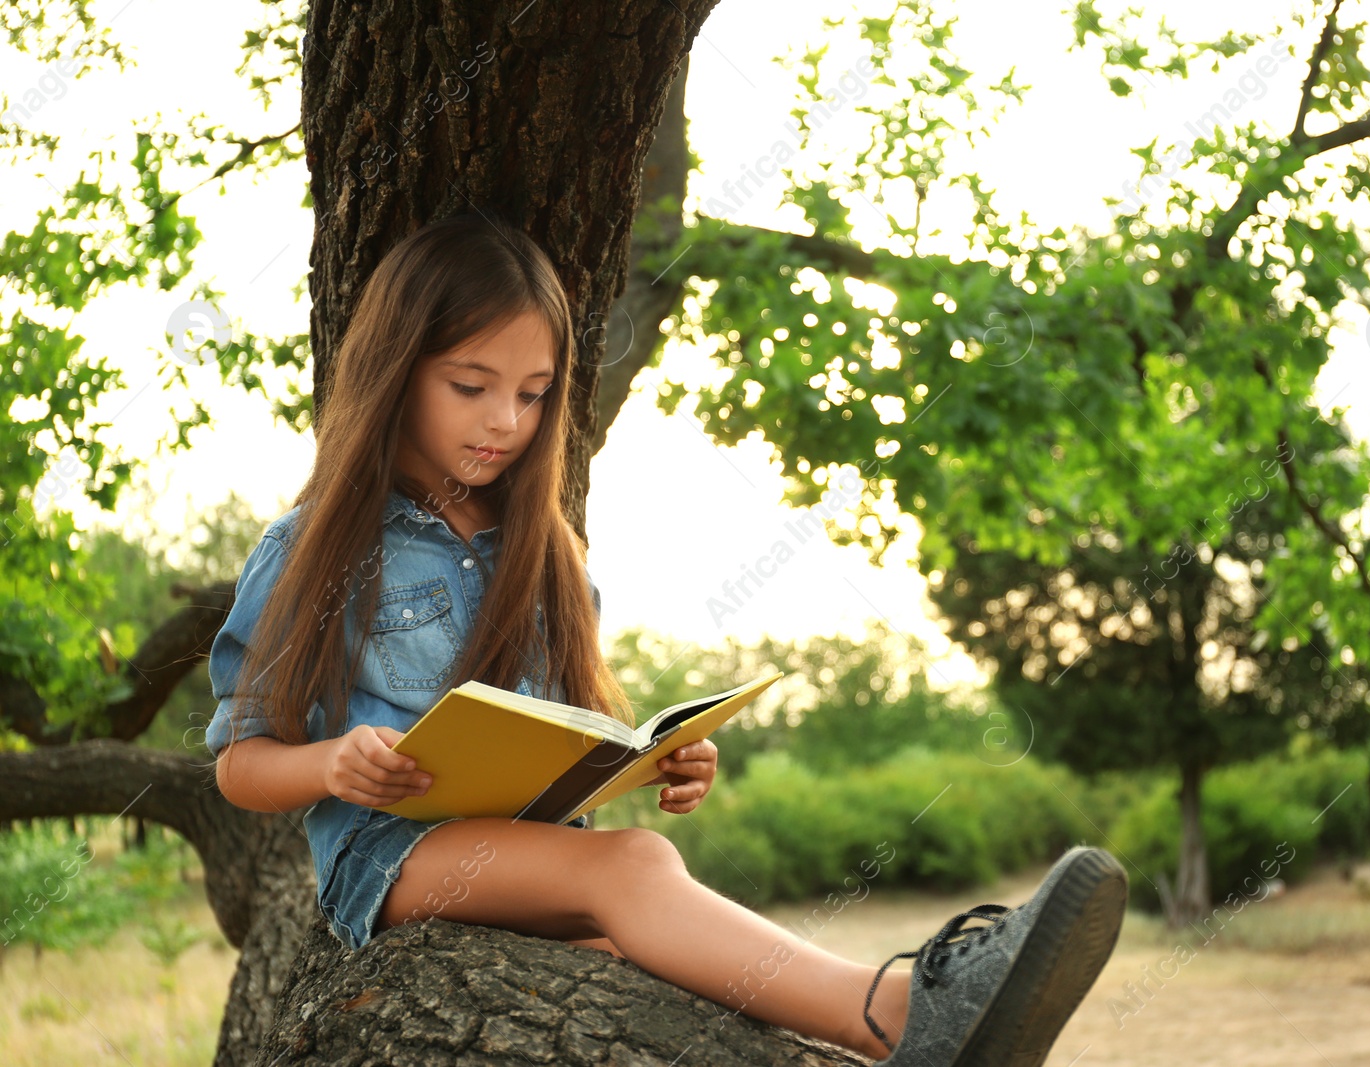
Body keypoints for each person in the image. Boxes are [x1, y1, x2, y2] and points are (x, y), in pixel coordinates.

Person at [204, 213, 1128, 1065]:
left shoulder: (548, 551)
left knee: (669, 970)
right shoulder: (316, 548)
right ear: (396, 369)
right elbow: (240, 760)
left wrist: (659, 763)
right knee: (637, 865)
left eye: (533, 395)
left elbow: (576, 739)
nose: (506, 423)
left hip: (533, 855)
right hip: (392, 857)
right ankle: (896, 1010)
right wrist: (332, 764)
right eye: (471, 387)